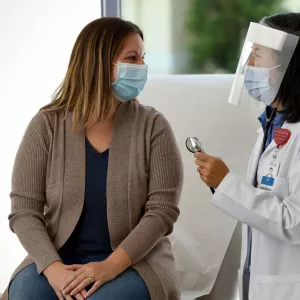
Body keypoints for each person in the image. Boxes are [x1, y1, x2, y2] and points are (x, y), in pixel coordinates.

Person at [1, 17, 183, 300]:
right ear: (99, 62)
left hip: (133, 262)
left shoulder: (153, 126)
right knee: (24, 294)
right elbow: (24, 210)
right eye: (131, 58)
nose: (141, 67)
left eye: (142, 57)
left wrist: (110, 266)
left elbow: (162, 211)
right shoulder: (46, 125)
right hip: (60, 259)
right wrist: (53, 269)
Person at [194, 13, 300, 300]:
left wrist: (227, 183)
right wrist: (221, 184)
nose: (249, 65)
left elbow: (295, 222)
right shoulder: (271, 123)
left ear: (289, 63)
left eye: (258, 54)